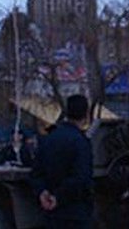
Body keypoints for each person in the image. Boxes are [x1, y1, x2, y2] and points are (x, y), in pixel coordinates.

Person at [30, 95, 94, 229]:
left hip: (52, 214)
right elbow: (81, 177)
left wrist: (42, 192)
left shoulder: (48, 139)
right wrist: (58, 197)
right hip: (75, 212)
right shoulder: (81, 142)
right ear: (86, 114)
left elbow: (36, 172)